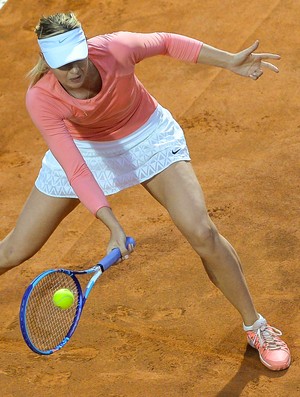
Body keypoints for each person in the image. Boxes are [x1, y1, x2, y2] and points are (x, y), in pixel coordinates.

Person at [0, 12, 291, 371]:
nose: (74, 71)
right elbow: (76, 169)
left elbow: (168, 42)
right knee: (15, 250)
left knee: (201, 231)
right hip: (85, 150)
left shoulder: (116, 49)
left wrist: (229, 61)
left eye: (78, 58)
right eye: (62, 66)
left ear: (85, 46)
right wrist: (112, 226)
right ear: (46, 61)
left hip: (145, 135)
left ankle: (256, 326)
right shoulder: (41, 98)